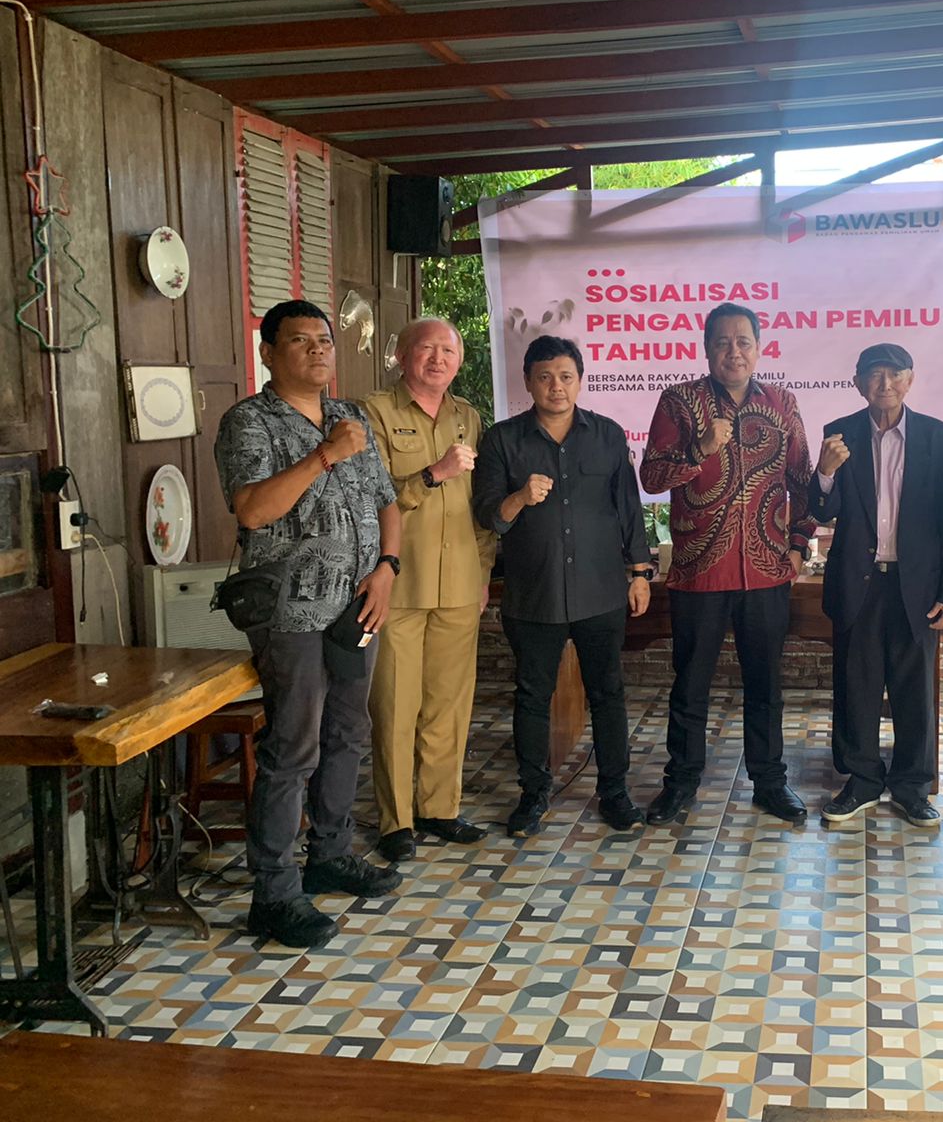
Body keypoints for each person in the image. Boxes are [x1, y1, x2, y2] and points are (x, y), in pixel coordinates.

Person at [215, 299, 403, 949]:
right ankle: (273, 894)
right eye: (301, 341)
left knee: (348, 730)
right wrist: (324, 455)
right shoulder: (249, 422)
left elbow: (387, 501)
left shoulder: (351, 416)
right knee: (294, 745)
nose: (319, 349)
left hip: (358, 605)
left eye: (324, 339)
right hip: (289, 611)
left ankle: (330, 853)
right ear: (268, 352)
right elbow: (253, 510)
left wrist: (387, 568)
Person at [639, 303, 815, 826]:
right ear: (706, 348)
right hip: (699, 572)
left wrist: (799, 544)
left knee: (766, 685)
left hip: (766, 571)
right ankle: (680, 784)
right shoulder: (679, 402)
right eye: (722, 342)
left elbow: (802, 481)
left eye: (743, 341)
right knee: (690, 684)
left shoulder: (782, 403)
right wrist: (699, 448)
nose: (733, 351)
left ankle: (770, 783)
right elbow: (651, 477)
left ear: (759, 347)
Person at [472, 335, 653, 835]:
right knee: (532, 696)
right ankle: (534, 795)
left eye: (566, 377)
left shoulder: (607, 435)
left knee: (608, 693)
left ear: (580, 380)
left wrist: (640, 573)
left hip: (600, 590)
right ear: (528, 382)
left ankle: (614, 792)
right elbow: (488, 516)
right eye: (545, 377)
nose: (557, 386)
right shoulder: (503, 440)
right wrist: (519, 497)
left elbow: (629, 509)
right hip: (535, 593)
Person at [809, 343, 943, 828]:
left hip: (916, 585)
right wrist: (825, 472)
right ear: (858, 383)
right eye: (874, 375)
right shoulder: (840, 433)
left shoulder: (942, 438)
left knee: (914, 690)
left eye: (895, 374)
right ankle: (860, 781)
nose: (885, 384)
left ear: (910, 380)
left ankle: (912, 786)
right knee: (856, 687)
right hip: (859, 583)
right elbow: (822, 511)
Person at [362, 318, 497, 864]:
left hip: (460, 583)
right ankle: (396, 821)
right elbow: (368, 498)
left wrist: (483, 573)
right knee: (395, 706)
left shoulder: (469, 417)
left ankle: (439, 809)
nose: (438, 358)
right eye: (426, 348)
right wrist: (432, 474)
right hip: (398, 585)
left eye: (448, 350)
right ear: (401, 354)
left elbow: (481, 506)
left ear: (459, 361)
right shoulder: (374, 412)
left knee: (449, 706)